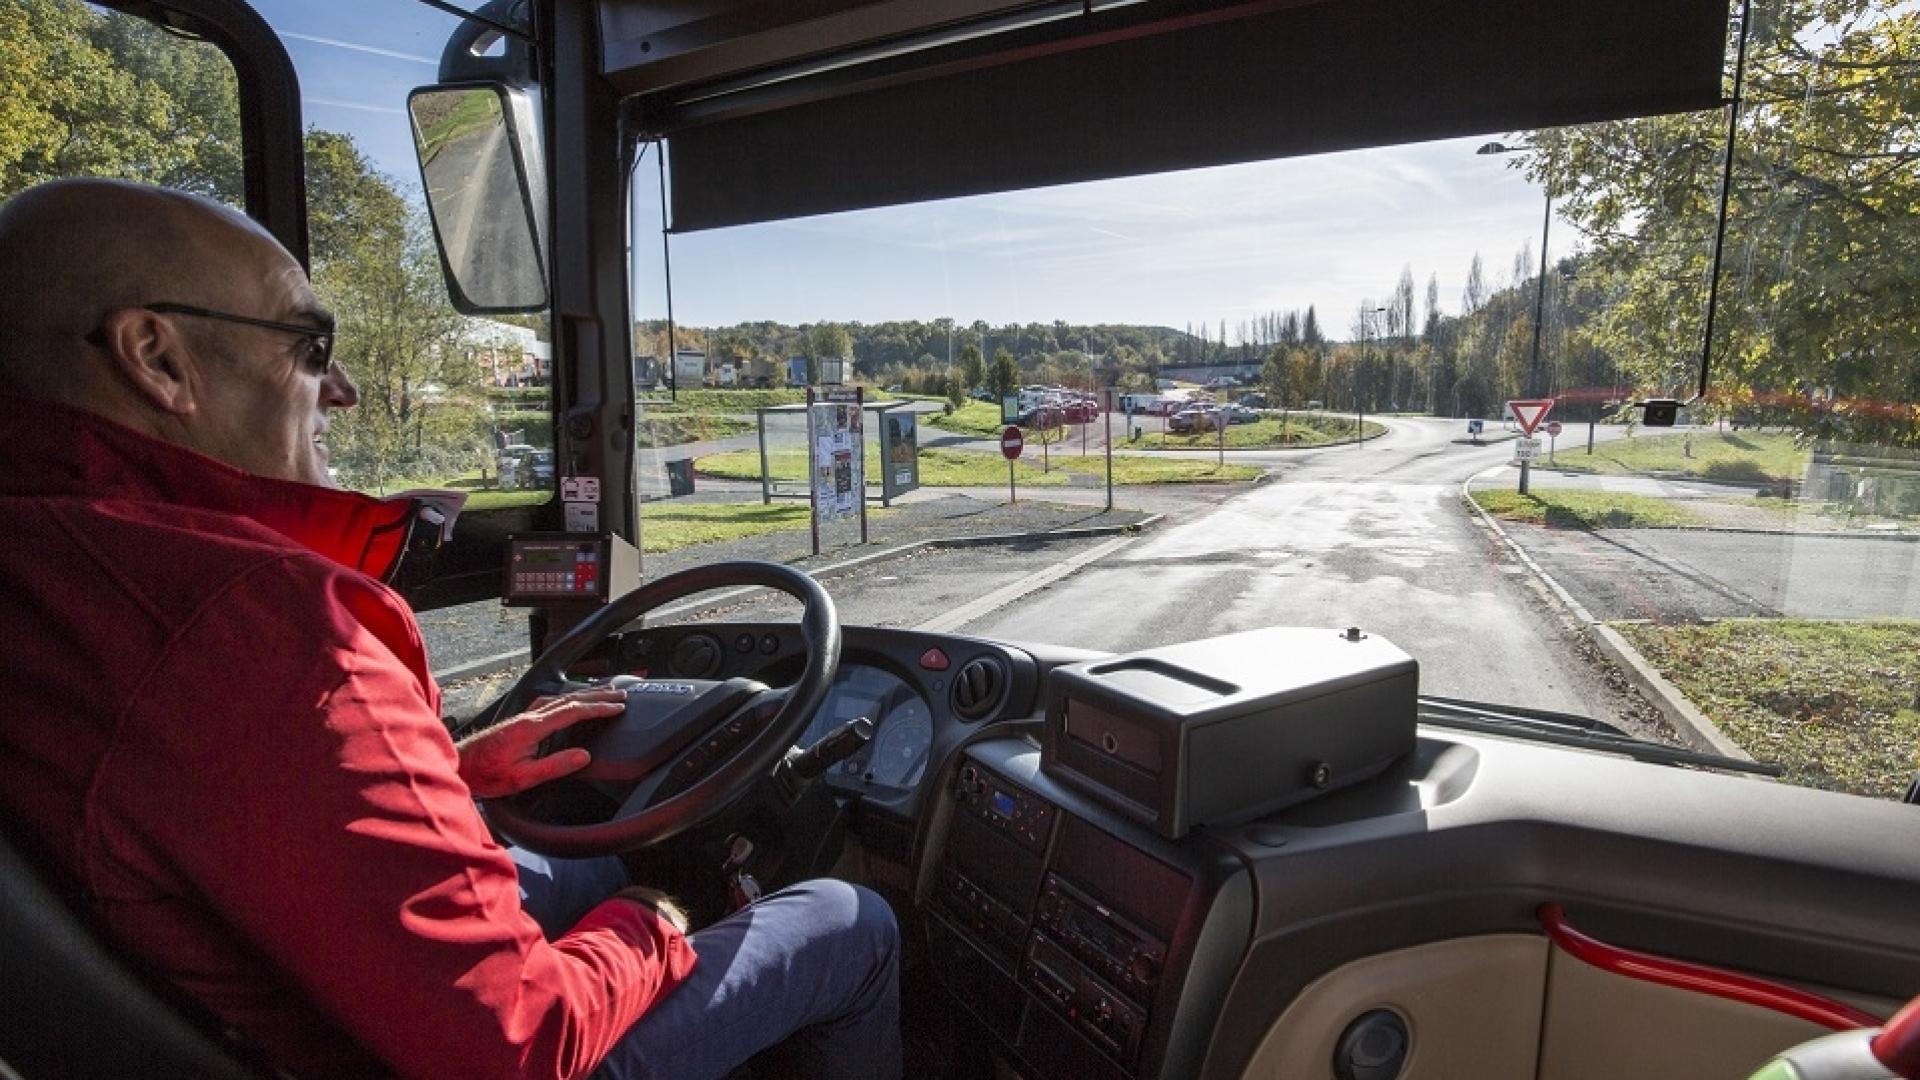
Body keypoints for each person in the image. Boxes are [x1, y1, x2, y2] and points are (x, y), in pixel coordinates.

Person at [0, 178, 901, 1080]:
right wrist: (669, 910)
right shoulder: (255, 626)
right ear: (156, 358)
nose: (343, 391)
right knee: (848, 921)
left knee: (595, 870)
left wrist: (451, 769)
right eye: (313, 348)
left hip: (280, 992)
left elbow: (233, 799)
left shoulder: (61, 565)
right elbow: (516, 1046)